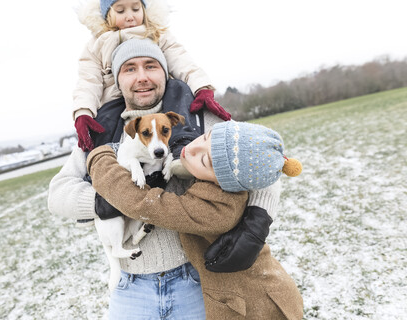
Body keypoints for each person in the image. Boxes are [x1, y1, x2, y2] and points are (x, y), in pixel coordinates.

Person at [48, 38, 303, 319]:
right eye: (129, 69)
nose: (142, 77)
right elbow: (57, 194)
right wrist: (102, 202)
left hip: (194, 279)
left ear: (165, 72)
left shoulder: (199, 117)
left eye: (151, 66)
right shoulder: (101, 130)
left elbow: (261, 160)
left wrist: (258, 220)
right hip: (132, 287)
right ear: (117, 80)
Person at [72, 0, 230, 151]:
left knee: (178, 88)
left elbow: (182, 61)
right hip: (115, 101)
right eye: (120, 10)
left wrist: (201, 87)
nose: (130, 16)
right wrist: (83, 112)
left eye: (136, 9)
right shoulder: (98, 44)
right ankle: (105, 157)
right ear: (107, 14)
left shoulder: (156, 34)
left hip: (161, 97)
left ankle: (181, 142)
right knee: (104, 118)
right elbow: (88, 80)